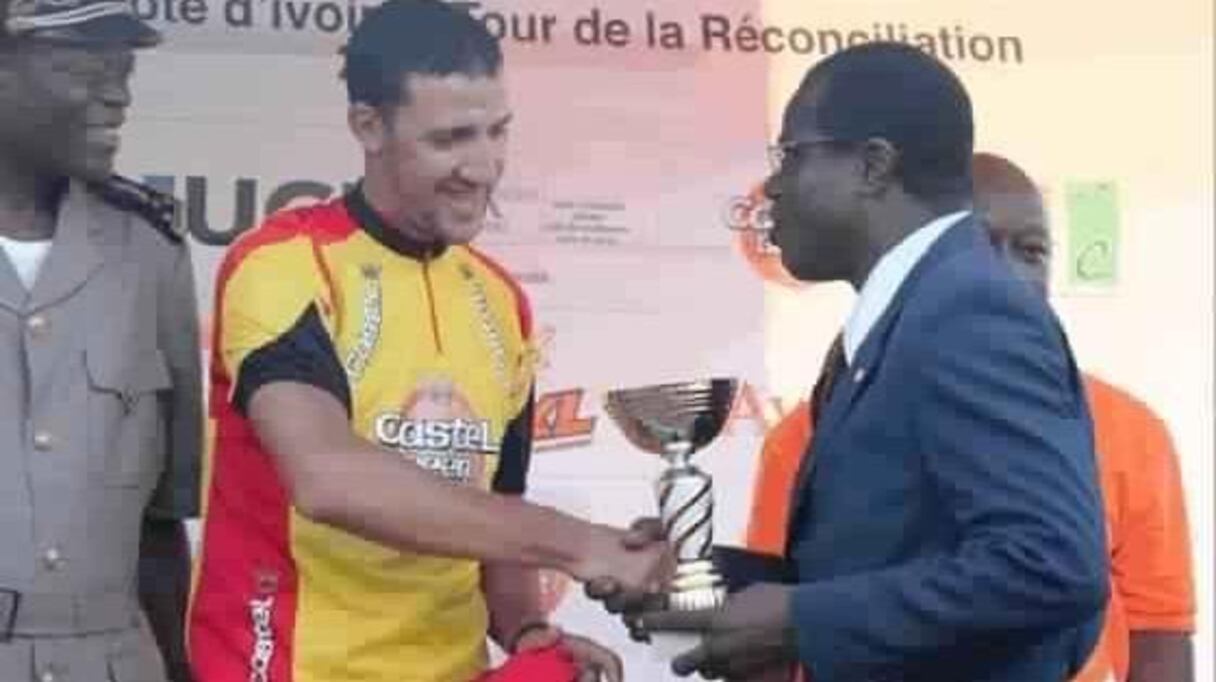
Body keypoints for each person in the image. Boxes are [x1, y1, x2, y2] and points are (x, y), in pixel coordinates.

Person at [185, 2, 668, 681]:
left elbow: (495, 511)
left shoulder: (500, 300)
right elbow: (326, 477)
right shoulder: (285, 265)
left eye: (497, 131)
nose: (484, 167)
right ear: (369, 126)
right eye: (450, 139)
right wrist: (582, 544)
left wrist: (527, 630)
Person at [606, 42, 1110, 681]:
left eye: (792, 156)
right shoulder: (911, 310)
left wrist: (800, 621)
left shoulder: (968, 309)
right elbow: (879, 563)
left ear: (872, 166)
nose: (773, 187)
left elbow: (1050, 564)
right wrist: (704, 576)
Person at [742, 151, 1197, 682]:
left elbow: (1159, 634)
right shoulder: (805, 438)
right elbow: (766, 639)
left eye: (1031, 250)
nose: (1004, 274)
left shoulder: (1131, 431)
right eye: (974, 248)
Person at [0, 2, 201, 681]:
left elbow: (160, 524)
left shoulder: (148, 253)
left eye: (123, 70)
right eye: (84, 68)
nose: (117, 94)